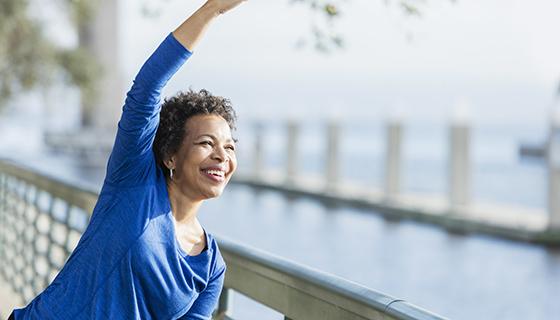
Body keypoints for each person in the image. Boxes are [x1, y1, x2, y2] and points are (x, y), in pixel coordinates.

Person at [10, 0, 246, 318]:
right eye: (206, 143)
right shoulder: (133, 181)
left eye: (230, 147)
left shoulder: (211, 267)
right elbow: (148, 87)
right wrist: (212, 10)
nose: (221, 156)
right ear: (170, 156)